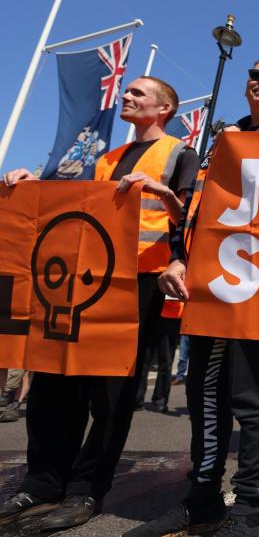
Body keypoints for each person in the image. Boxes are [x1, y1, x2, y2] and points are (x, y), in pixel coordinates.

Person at [126, 57, 259, 537]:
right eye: (256, 75)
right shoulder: (221, 141)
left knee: (253, 396)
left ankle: (252, 508)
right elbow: (197, 209)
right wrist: (178, 259)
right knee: (205, 397)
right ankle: (203, 498)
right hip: (210, 285)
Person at [0, 76, 197, 531]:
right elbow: (75, 207)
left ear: (165, 107)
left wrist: (162, 195)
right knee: (55, 377)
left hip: (142, 283)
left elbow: (192, 219)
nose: (126, 97)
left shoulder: (180, 155)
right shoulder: (105, 159)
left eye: (137, 94)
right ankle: (42, 481)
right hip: (90, 278)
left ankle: (87, 489)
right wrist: (31, 184)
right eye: (125, 92)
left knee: (112, 394)